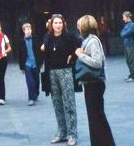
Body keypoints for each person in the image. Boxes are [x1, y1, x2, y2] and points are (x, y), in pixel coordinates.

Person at [75, 15, 116, 146]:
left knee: (96, 117)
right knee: (94, 117)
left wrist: (81, 55)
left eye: (79, 26)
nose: (78, 28)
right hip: (91, 83)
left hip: (94, 83)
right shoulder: (89, 40)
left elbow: (97, 62)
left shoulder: (92, 41)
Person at [41, 14, 80, 145]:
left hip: (66, 71)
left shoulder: (69, 37)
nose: (58, 25)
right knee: (57, 104)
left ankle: (72, 134)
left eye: (60, 23)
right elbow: (43, 50)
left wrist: (73, 55)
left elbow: (81, 46)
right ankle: (62, 132)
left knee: (69, 103)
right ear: (51, 24)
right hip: (51, 73)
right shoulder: (47, 37)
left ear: (64, 24)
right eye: (55, 23)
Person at [17, 22, 43, 106]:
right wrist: (21, 67)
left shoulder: (36, 39)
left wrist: (41, 62)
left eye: (29, 29)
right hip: (27, 64)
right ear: (24, 31)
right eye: (27, 29)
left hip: (35, 63)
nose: (28, 31)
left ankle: (36, 93)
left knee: (36, 81)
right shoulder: (21, 41)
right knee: (30, 82)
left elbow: (40, 52)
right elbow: (20, 55)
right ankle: (31, 98)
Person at [119, 11, 134, 82]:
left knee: (132, 61)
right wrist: (124, 34)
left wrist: (124, 34)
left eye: (124, 17)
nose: (123, 19)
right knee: (128, 60)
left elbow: (126, 33)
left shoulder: (132, 25)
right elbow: (122, 33)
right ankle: (131, 74)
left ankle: (133, 76)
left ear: (127, 17)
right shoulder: (126, 25)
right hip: (126, 44)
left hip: (131, 44)